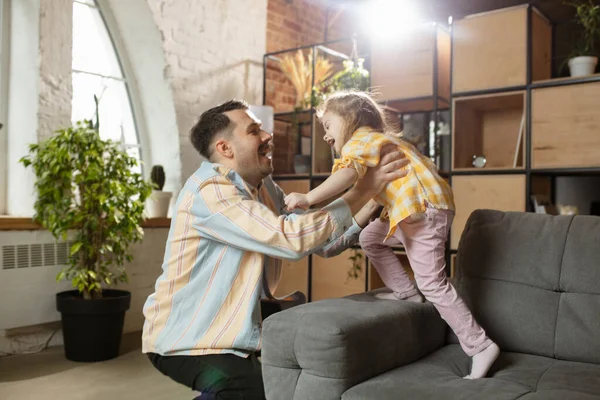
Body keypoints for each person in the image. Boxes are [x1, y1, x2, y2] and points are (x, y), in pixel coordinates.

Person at [141, 99, 411, 399]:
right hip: (186, 339)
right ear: (225, 149)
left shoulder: (265, 189)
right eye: (254, 130)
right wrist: (363, 188)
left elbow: (324, 242)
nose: (268, 136)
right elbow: (290, 239)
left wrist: (374, 197)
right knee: (246, 389)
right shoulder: (211, 191)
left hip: (234, 333)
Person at [284, 91, 500, 380]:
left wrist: (309, 198)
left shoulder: (361, 140)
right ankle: (407, 292)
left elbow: (347, 176)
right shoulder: (383, 142)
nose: (325, 135)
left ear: (351, 120)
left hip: (422, 211)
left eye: (327, 126)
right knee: (371, 238)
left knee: (433, 283)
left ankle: (479, 345)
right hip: (411, 211)